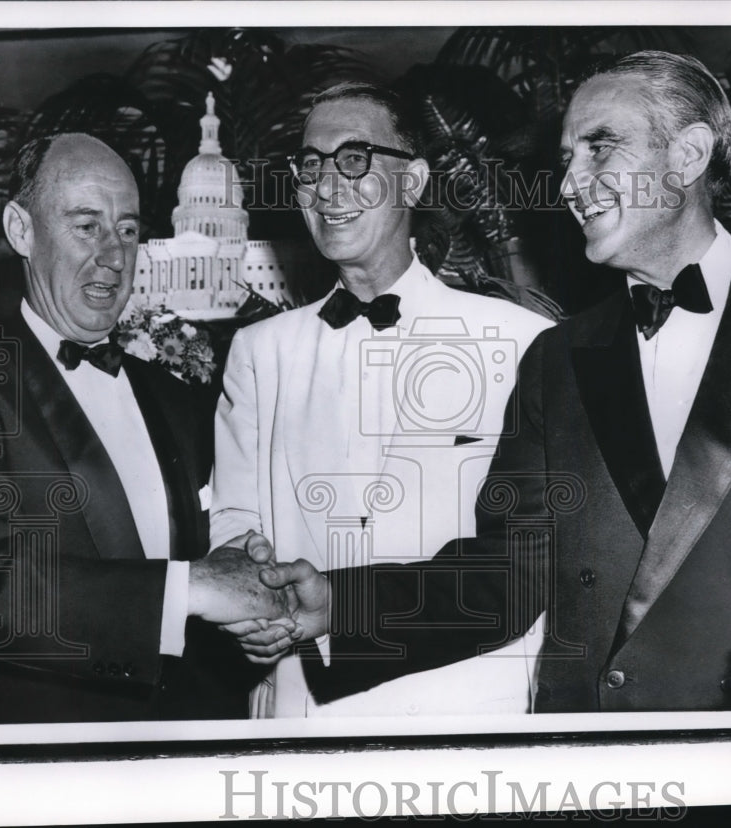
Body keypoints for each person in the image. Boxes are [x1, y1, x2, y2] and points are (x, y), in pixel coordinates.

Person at [250, 51, 731, 713]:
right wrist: (337, 602)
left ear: (688, 155)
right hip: (589, 753)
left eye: (600, 148)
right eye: (566, 159)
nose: (569, 183)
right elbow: (504, 576)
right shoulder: (559, 357)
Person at [209, 82, 553, 717]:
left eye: (355, 158)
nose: (326, 187)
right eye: (310, 166)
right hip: (301, 714)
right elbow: (233, 514)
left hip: (467, 709)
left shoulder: (521, 340)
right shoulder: (259, 351)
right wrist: (246, 576)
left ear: (415, 180)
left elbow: (519, 565)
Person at [0, 133, 287, 724]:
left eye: (129, 231)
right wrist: (191, 588)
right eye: (86, 226)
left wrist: (251, 594)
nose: (113, 256)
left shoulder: (174, 395)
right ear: (21, 230)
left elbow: (208, 551)